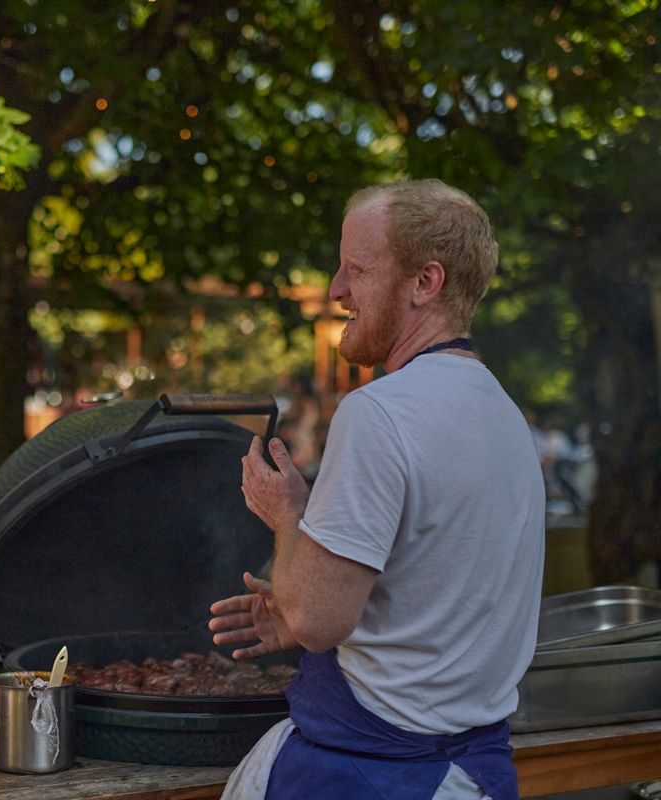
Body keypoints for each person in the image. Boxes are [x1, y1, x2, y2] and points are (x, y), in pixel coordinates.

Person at [209, 180, 545, 800]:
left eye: (357, 270)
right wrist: (293, 608)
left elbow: (316, 621)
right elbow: (440, 601)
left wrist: (288, 515)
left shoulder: (381, 413)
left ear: (425, 282)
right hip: (475, 774)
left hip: (380, 780)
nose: (337, 289)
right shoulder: (504, 415)